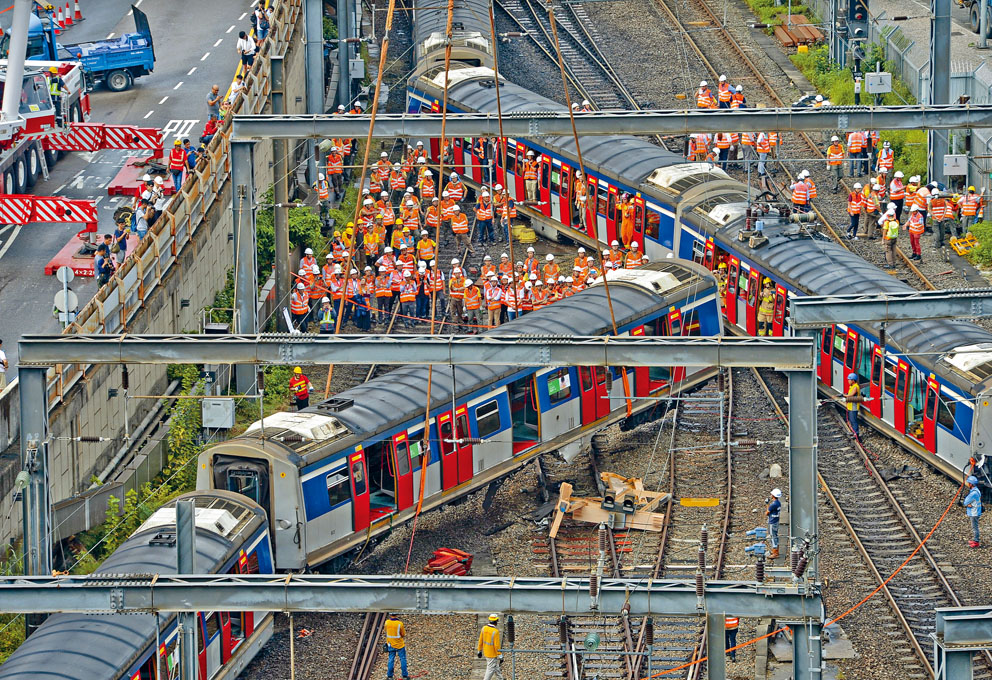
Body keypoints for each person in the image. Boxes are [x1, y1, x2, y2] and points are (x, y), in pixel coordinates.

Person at [478, 613, 504, 680]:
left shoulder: (484, 628)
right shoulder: (495, 631)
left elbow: (480, 640)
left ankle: (501, 678)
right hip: (492, 654)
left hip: (486, 652)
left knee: (495, 666)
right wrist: (500, 655)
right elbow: (496, 645)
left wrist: (479, 650)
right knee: (490, 669)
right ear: (496, 621)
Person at [384, 613, 409, 680]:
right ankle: (405, 676)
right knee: (403, 659)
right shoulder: (400, 624)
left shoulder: (387, 622)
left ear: (390, 615)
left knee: (391, 659)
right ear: (397, 615)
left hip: (391, 644)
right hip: (400, 645)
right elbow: (403, 634)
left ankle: (390, 676)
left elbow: (386, 631)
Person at [965, 475, 983, 548]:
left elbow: (965, 502)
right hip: (977, 511)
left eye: (969, 483)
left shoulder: (973, 493)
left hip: (974, 512)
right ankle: (975, 540)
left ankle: (976, 542)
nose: (968, 484)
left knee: (975, 527)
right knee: (975, 527)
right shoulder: (977, 491)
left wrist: (967, 504)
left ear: (971, 484)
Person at [845, 372, 863, 438]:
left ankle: (856, 433)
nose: (848, 381)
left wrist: (844, 395)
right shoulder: (852, 386)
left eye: (849, 380)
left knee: (853, 420)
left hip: (853, 407)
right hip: (850, 406)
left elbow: (850, 395)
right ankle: (853, 432)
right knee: (851, 420)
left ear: (853, 380)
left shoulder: (855, 387)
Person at [766, 488, 782, 559]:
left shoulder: (773, 504)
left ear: (773, 495)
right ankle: (776, 551)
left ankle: (775, 553)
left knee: (773, 537)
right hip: (776, 521)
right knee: (775, 536)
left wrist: (767, 504)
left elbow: (767, 512)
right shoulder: (778, 503)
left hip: (772, 522)